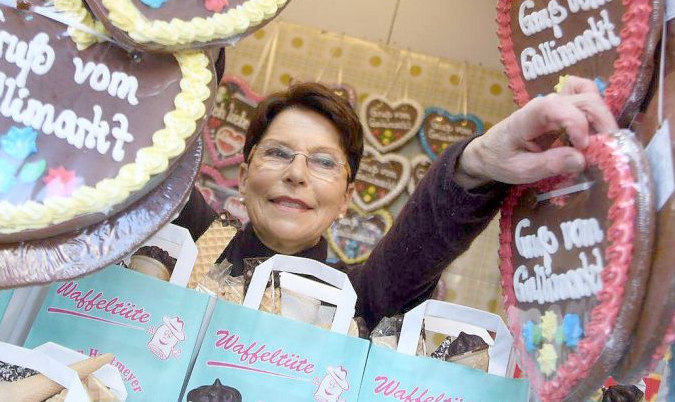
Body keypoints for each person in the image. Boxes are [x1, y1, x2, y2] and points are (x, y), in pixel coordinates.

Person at [178, 77, 617, 328]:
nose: (296, 174)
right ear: (243, 174)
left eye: (324, 162)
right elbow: (151, 169)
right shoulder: (187, 240)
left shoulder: (361, 297)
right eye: (276, 153)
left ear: (346, 199)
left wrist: (480, 161)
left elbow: (419, 244)